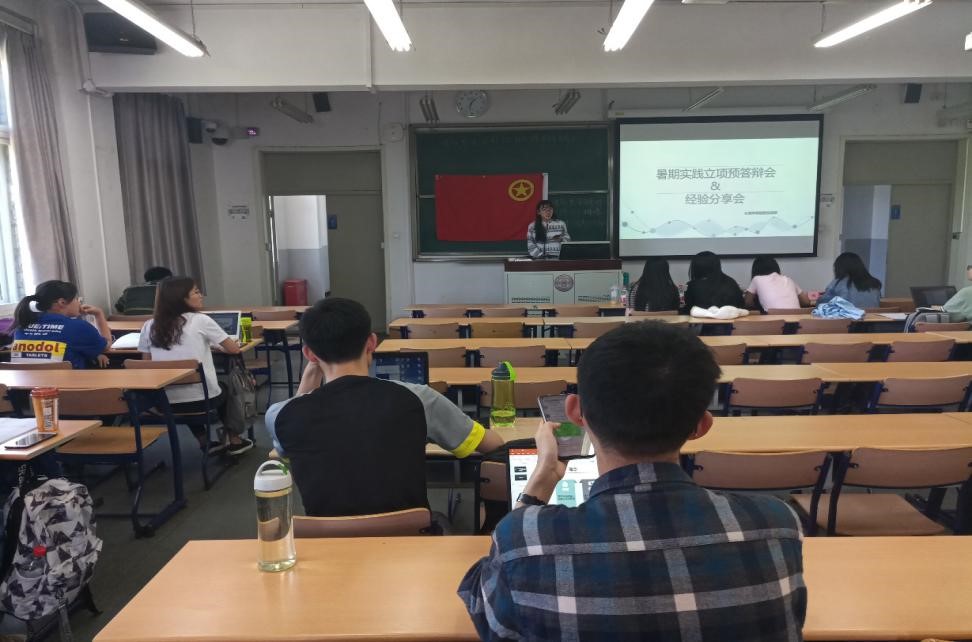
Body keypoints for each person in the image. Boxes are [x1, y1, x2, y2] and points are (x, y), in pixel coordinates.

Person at [459, 322, 806, 641]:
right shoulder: (779, 526)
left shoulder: (524, 539)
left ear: (575, 412)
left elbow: (487, 616)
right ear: (701, 426)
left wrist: (540, 482)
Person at [265, 297, 504, 517]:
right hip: (410, 540)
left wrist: (311, 372)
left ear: (309, 354)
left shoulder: (280, 416)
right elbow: (491, 445)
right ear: (371, 342)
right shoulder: (419, 398)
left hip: (325, 543)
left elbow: (290, 431)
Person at [138, 277, 253, 455]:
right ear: (181, 298)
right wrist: (215, 346)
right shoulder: (201, 320)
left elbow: (146, 364)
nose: (201, 296)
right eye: (196, 292)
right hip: (202, 401)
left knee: (186, 392)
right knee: (225, 388)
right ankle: (235, 439)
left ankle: (204, 442)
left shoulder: (149, 325)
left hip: (164, 402)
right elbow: (233, 349)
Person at [11, 280, 111, 369]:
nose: (79, 303)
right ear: (62, 302)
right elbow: (107, 345)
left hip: (25, 384)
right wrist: (99, 314)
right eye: (76, 299)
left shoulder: (23, 324)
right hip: (65, 384)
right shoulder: (78, 327)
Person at [744, 256, 811, 312]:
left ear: (755, 270)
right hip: (797, 320)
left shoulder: (756, 279)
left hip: (773, 321)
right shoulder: (788, 279)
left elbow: (748, 303)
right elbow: (806, 302)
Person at [817, 252, 882, 309]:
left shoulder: (838, 283)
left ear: (839, 268)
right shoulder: (875, 283)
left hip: (847, 318)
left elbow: (822, 303)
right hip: (873, 318)